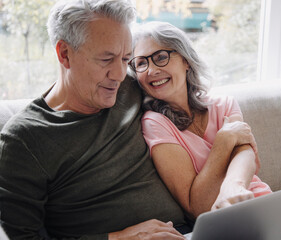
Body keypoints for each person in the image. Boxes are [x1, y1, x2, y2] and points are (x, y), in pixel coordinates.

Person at [0, 1, 189, 239]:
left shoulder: (133, 86)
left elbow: (196, 109)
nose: (120, 75)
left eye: (124, 59)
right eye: (106, 59)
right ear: (65, 54)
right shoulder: (24, 140)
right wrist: (117, 238)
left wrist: (234, 139)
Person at [128, 21, 272, 220]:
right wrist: (223, 140)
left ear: (185, 60)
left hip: (262, 202)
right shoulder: (154, 124)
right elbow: (197, 207)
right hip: (221, 220)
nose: (151, 70)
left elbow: (245, 153)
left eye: (160, 57)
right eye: (141, 63)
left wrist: (233, 186)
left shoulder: (224, 104)